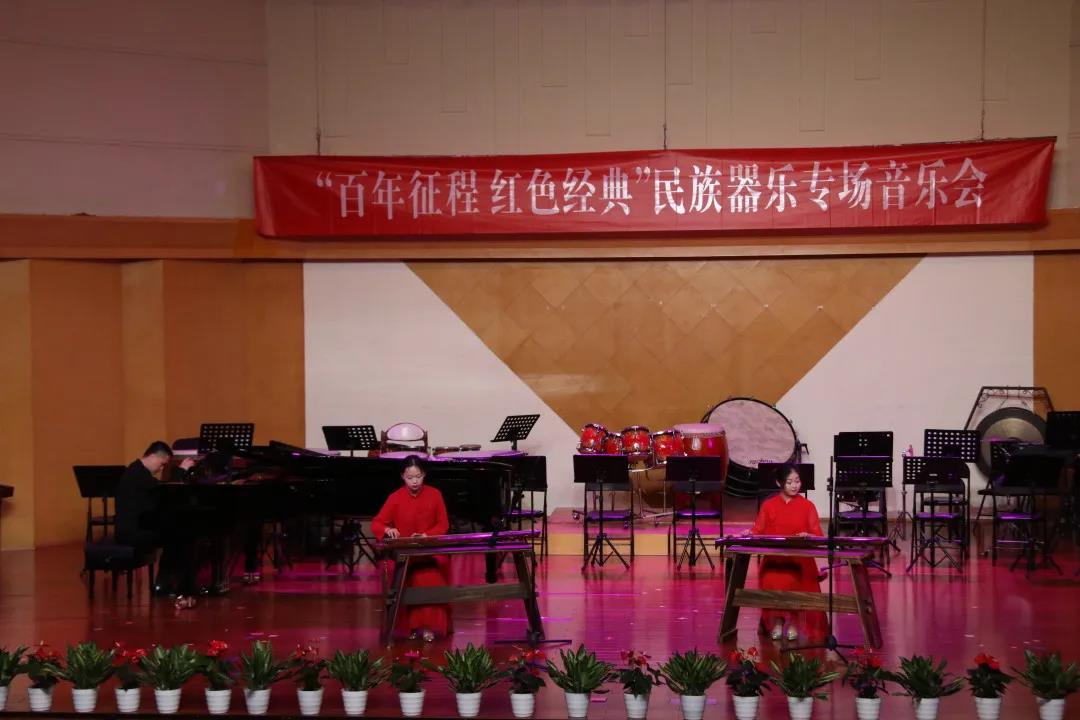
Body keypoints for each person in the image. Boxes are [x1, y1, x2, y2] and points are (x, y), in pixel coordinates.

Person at [742, 465, 826, 642]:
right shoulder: (769, 505)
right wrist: (749, 533)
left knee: (794, 581)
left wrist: (808, 535)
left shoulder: (807, 506)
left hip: (799, 559)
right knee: (772, 579)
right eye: (789, 482)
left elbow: (818, 534)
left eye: (797, 481)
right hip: (775, 558)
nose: (795, 485)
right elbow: (758, 529)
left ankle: (794, 622)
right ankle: (778, 622)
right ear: (779, 483)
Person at [371, 456, 451, 642]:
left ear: (424, 474)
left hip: (429, 553)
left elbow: (443, 524)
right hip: (405, 555)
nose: (414, 481)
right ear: (402, 476)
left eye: (418, 476)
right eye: (410, 477)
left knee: (430, 578)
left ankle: (429, 626)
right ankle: (412, 626)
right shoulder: (395, 497)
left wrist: (426, 535)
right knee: (406, 579)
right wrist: (387, 529)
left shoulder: (435, 494)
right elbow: (377, 523)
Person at [115, 441, 197, 605]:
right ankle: (181, 589)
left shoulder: (136, 471)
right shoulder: (139, 476)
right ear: (153, 456)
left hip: (134, 528)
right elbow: (163, 493)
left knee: (177, 538)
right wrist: (181, 470)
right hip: (133, 532)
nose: (161, 468)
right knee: (184, 538)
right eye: (162, 464)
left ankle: (164, 583)